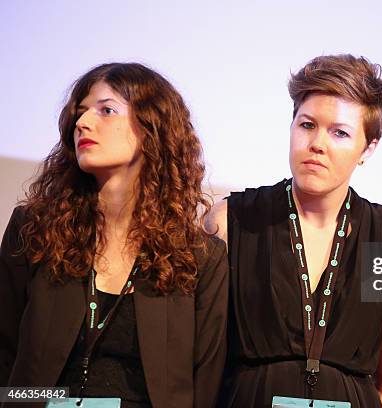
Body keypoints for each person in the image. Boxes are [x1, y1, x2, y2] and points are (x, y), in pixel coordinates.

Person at [0, 63, 228, 408]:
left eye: (106, 110)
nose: (83, 122)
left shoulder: (199, 257)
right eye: (80, 112)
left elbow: (206, 383)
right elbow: (5, 355)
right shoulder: (35, 228)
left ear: (152, 128)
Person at [207, 54, 382, 408]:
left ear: (368, 148)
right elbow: (197, 358)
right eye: (307, 125)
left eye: (339, 132)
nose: (317, 144)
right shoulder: (232, 221)